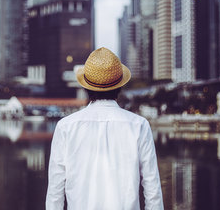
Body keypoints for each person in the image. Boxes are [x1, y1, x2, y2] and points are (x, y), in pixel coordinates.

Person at [45, 47, 164, 210]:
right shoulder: (139, 125)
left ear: (86, 89)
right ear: (119, 87)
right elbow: (152, 190)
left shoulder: (66, 127)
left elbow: (55, 191)